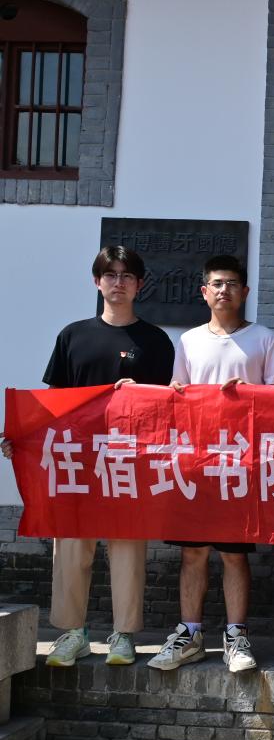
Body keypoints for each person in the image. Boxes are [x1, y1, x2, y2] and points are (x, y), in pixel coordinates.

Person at [148, 255, 274, 674]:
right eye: (216, 284)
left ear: (245, 292)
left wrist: (250, 393)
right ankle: (189, 633)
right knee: (192, 551)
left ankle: (236, 635)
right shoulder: (189, 341)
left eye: (231, 284)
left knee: (233, 554)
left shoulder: (264, 339)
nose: (224, 290)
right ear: (204, 292)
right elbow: (178, 397)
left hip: (240, 463)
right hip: (195, 461)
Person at [42, 246, 175, 667]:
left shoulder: (155, 341)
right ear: (97, 282)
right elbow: (54, 401)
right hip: (78, 459)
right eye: (110, 274)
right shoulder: (73, 335)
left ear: (139, 284)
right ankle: (72, 632)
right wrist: (27, 439)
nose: (119, 282)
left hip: (127, 461)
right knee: (70, 548)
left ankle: (124, 634)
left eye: (127, 275)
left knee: (127, 548)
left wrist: (139, 396)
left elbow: (166, 406)